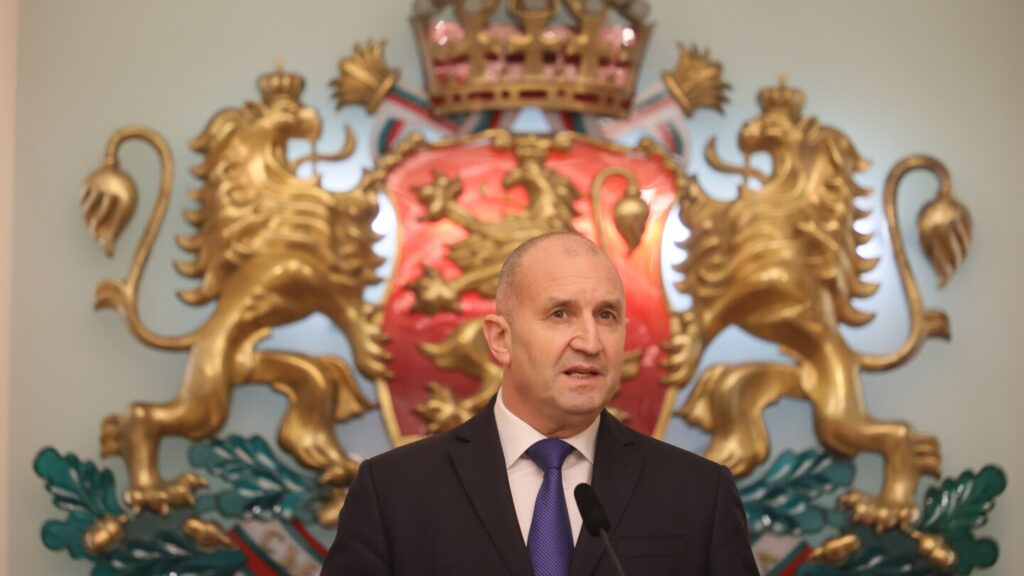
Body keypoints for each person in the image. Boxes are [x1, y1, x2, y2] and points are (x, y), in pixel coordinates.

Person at [321, 232, 759, 575]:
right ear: (501, 339)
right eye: (560, 314)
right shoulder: (393, 492)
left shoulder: (700, 493)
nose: (590, 342)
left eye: (606, 315)